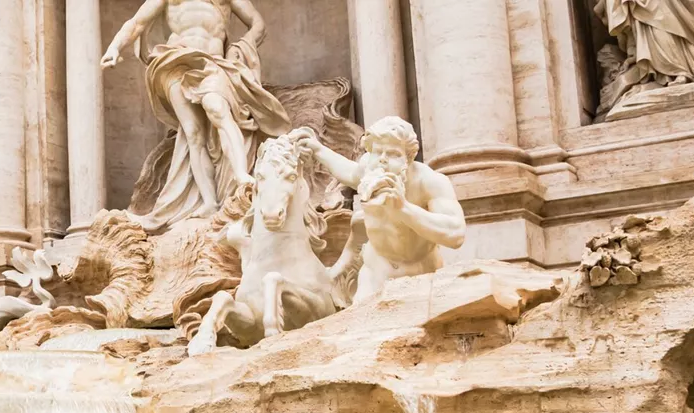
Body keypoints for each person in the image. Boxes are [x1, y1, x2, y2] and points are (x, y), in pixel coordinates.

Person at [103, 0, 291, 232]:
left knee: (217, 108)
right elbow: (137, 23)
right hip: (174, 62)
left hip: (212, 62)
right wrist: (114, 47)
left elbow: (257, 24)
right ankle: (210, 202)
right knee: (193, 132)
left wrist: (242, 45)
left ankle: (241, 175)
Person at [295, 118, 466, 306]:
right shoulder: (368, 167)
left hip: (420, 273)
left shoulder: (429, 182)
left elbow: (455, 234)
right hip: (376, 272)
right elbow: (350, 173)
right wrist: (318, 150)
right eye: (377, 152)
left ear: (408, 159)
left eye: (393, 154)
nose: (382, 159)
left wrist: (403, 208)